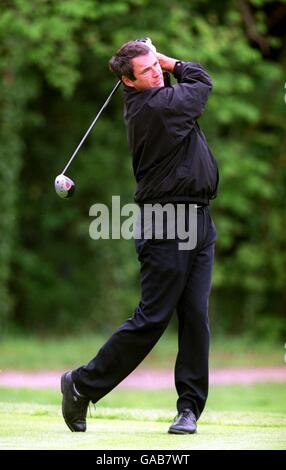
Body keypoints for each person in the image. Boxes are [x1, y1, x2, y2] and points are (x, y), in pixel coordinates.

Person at [61, 39, 219, 435]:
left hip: (198, 220)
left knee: (196, 318)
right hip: (167, 221)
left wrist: (159, 63)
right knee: (152, 319)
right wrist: (170, 59)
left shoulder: (161, 97)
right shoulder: (156, 109)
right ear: (128, 83)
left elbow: (194, 83)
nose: (157, 73)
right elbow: (201, 82)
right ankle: (81, 384)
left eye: (156, 66)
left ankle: (189, 409)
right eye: (147, 70)